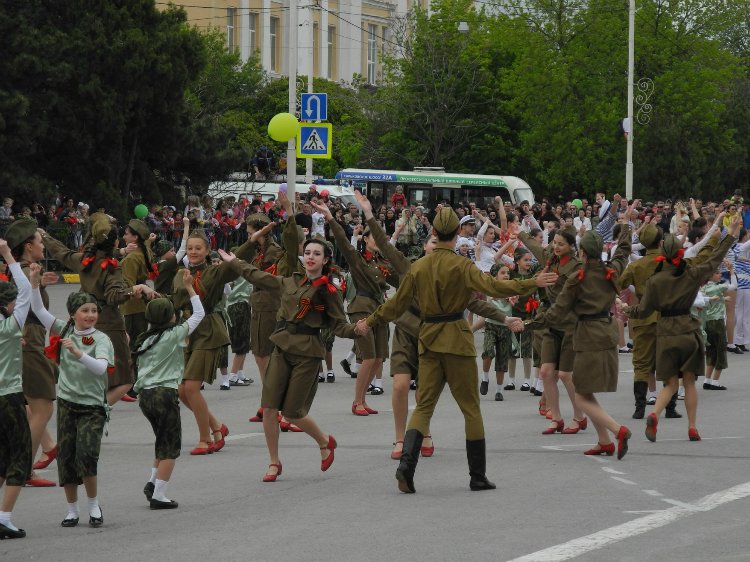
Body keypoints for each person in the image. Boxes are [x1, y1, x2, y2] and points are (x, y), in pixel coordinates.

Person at [356, 207, 557, 494]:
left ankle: (406, 467)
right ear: (458, 234)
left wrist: (370, 321)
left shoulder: (419, 267)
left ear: (434, 233)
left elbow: (394, 305)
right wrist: (531, 283)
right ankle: (477, 476)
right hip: (458, 341)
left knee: (424, 406)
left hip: (429, 340)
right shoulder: (463, 266)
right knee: (471, 409)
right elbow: (493, 288)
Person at [356, 191, 521, 460]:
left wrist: (505, 318)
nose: (435, 245)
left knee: (424, 392)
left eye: (438, 241)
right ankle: (400, 438)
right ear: (426, 245)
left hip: (429, 334)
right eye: (431, 241)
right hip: (406, 333)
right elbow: (386, 246)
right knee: (399, 386)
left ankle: (425, 433)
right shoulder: (412, 267)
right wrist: (370, 215)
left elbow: (476, 303)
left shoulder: (452, 271)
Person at [218, 238, 357, 482]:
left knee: (292, 413)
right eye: (308, 252)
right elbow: (258, 276)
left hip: (308, 351)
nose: (311, 257)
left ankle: (324, 441)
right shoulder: (289, 281)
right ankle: (274, 462)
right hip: (281, 346)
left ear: (325, 260)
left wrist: (357, 330)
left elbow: (338, 324)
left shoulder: (329, 291)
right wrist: (235, 262)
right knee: (270, 408)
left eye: (317, 254)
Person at [622, 217, 741, 443]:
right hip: (688, 329)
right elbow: (713, 258)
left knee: (669, 384)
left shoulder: (655, 280)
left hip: (665, 333)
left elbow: (644, 310)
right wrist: (731, 236)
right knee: (689, 383)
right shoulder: (691, 272)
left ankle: (654, 413)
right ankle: (692, 427)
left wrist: (627, 310)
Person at [529, 225, 633, 459]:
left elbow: (557, 311)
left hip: (587, 334)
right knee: (585, 391)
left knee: (581, 395)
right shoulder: (611, 271)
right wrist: (625, 228)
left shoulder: (578, 277)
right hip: (607, 331)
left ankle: (618, 430)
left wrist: (530, 324)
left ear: (582, 253)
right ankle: (604, 441)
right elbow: (623, 253)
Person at [39, 213, 157, 405]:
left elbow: (61, 252)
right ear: (115, 242)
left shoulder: (83, 260)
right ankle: (97, 409)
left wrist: (45, 236)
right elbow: (113, 296)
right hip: (109, 323)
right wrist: (134, 289)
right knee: (125, 379)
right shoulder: (111, 268)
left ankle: (87, 403)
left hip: (82, 321)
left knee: (90, 368)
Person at [29, 271, 115, 529]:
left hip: (92, 407)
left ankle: (93, 505)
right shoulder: (63, 328)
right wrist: (34, 284)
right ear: (73, 314)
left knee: (87, 456)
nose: (90, 315)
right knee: (66, 458)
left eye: (93, 311)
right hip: (68, 403)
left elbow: (100, 368)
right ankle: (72, 510)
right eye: (85, 311)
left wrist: (78, 353)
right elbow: (38, 309)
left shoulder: (101, 339)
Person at [312, 199, 396, 416]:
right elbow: (342, 241)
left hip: (379, 310)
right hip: (362, 308)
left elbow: (404, 276)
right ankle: (356, 401)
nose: (379, 241)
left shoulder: (383, 263)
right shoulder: (358, 260)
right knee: (368, 357)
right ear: (365, 239)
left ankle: (363, 399)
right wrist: (330, 217)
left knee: (378, 359)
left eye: (382, 238)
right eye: (374, 237)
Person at [134, 270, 205, 509]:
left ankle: (152, 483)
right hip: (164, 394)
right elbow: (199, 314)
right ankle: (159, 495)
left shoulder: (144, 338)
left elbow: (155, 312)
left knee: (161, 440)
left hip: (144, 396)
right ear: (172, 317)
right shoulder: (174, 334)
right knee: (171, 446)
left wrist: (149, 296)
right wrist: (190, 288)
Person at [171, 229, 237, 455]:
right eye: (190, 248)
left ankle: (205, 438)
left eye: (198, 248)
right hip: (188, 332)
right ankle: (217, 427)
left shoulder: (213, 272)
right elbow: (174, 302)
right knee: (181, 391)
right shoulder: (181, 273)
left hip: (209, 330)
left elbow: (233, 269)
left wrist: (253, 240)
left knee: (191, 387)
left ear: (207, 251)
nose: (193, 252)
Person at [5, 218, 59, 487]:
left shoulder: (19, 271)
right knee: (43, 407)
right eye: (40, 241)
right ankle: (24, 468)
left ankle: (47, 448)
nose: (43, 245)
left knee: (29, 404)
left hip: (22, 341)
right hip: (31, 341)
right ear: (28, 246)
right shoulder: (27, 272)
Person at [518, 226, 585, 434]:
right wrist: (518, 233)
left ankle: (579, 416)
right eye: (554, 242)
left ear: (571, 246)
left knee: (565, 375)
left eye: (561, 244)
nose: (555, 247)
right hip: (551, 323)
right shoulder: (551, 258)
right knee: (547, 372)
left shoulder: (577, 266)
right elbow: (535, 246)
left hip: (570, 324)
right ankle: (556, 418)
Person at [0, 238, 32, 539]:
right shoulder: (10, 326)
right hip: (8, 396)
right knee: (20, 458)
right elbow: (24, 291)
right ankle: (4, 517)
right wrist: (8, 255)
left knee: (0, 457)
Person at [120, 219, 154, 400]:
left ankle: (134, 384)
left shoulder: (131, 258)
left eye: (126, 233)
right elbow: (147, 242)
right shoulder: (143, 251)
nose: (124, 236)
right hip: (141, 305)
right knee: (139, 342)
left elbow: (128, 285)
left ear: (134, 237)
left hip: (132, 306)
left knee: (133, 345)